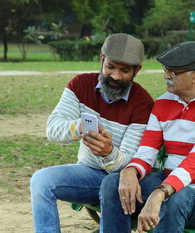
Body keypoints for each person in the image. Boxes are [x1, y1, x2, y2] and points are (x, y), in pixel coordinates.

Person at [100, 41, 195, 233]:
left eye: (174, 72)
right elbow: (146, 152)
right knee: (113, 184)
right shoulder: (162, 103)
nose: (166, 75)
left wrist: (161, 192)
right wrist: (130, 172)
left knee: (176, 197)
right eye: (166, 69)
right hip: (173, 184)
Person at [30, 33, 154, 233]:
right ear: (101, 59)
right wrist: (79, 127)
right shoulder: (80, 85)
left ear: (137, 70)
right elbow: (52, 129)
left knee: (112, 185)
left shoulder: (143, 104)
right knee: (41, 180)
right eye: (110, 67)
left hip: (122, 181)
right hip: (87, 173)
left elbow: (131, 165)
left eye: (124, 71)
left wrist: (108, 153)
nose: (115, 76)